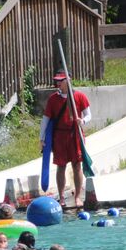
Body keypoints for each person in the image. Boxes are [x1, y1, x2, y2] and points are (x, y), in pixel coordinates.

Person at [40, 70, 92, 207]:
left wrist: (83, 121)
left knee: (77, 166)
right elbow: (45, 120)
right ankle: (62, 197)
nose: (57, 83)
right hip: (59, 137)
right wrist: (42, 138)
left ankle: (78, 197)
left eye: (60, 80)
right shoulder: (53, 99)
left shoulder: (79, 96)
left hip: (75, 135)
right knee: (61, 166)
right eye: (57, 80)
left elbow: (88, 115)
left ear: (67, 81)